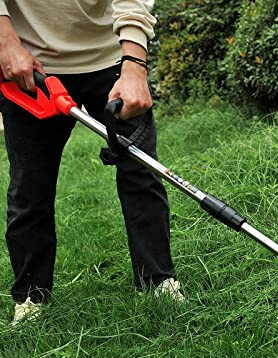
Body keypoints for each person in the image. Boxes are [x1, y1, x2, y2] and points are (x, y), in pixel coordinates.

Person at [0, 0, 184, 324]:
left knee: (141, 173)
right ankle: (31, 298)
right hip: (30, 63)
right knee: (30, 188)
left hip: (112, 57)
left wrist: (134, 66)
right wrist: (4, 42)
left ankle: (159, 281)